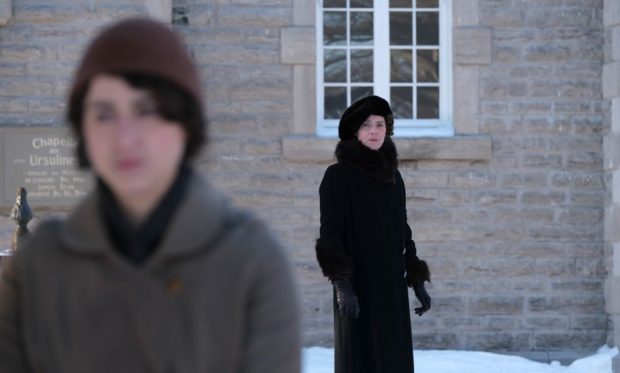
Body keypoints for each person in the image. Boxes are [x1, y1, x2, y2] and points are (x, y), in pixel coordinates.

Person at [0, 17, 300, 373]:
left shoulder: (251, 260)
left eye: (147, 111)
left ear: (184, 123)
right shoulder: (38, 267)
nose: (126, 138)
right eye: (104, 114)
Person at [315, 95, 431, 373]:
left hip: (390, 287)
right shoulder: (338, 176)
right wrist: (342, 286)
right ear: (355, 132)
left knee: (394, 361)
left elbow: (402, 229)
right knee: (361, 360)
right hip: (357, 288)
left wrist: (416, 279)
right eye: (367, 125)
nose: (374, 131)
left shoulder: (394, 176)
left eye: (380, 125)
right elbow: (331, 233)